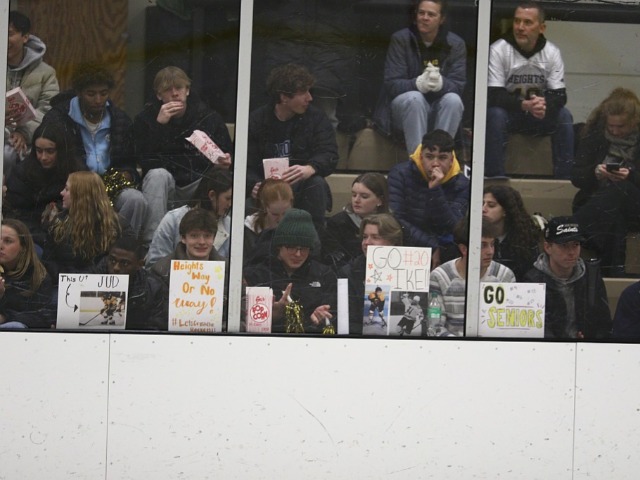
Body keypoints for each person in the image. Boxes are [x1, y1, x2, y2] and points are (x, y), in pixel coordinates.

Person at [42, 62, 147, 237]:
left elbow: (129, 162)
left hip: (111, 185)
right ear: (79, 92)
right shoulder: (58, 118)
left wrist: (128, 173)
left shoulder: (120, 119)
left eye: (103, 93)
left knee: (136, 200)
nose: (98, 100)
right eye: (91, 94)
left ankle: (124, 245)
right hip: (73, 187)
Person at [133, 66, 233, 243]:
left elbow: (227, 155)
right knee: (157, 175)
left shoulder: (207, 117)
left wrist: (224, 162)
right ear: (159, 95)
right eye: (167, 90)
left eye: (179, 88)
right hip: (166, 188)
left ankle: (212, 240)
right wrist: (159, 126)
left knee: (216, 180)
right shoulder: (146, 119)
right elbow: (145, 162)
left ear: (187, 90)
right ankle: (152, 243)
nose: (174, 94)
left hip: (198, 185)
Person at [485, 1, 574, 179]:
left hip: (538, 115)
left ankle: (564, 179)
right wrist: (524, 105)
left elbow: (560, 95)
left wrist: (543, 103)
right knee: (495, 114)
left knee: (564, 116)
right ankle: (495, 177)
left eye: (527, 22)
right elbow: (493, 94)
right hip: (511, 115)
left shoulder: (552, 52)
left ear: (541, 28)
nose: (520, 27)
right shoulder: (498, 50)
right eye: (517, 21)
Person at [247, 63, 338, 229]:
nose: (309, 98)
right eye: (303, 93)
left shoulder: (316, 117)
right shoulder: (257, 120)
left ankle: (313, 239)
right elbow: (243, 162)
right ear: (284, 97)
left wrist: (311, 167)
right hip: (265, 187)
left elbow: (329, 153)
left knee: (316, 184)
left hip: (301, 186)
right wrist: (253, 184)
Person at [372, 0, 466, 155]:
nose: (425, 18)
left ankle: (439, 158)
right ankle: (418, 162)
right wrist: (417, 84)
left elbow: (459, 86)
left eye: (431, 14)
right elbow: (392, 84)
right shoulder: (401, 39)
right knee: (415, 99)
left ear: (442, 19)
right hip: (405, 109)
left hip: (437, 108)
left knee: (453, 100)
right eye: (421, 13)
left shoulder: (455, 44)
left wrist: (441, 84)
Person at [571, 87, 640, 277]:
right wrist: (596, 173)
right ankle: (612, 277)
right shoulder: (594, 135)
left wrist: (631, 175)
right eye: (611, 126)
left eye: (621, 126)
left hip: (634, 203)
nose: (615, 131)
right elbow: (576, 176)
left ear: (634, 122)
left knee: (621, 187)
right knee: (615, 221)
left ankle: (575, 227)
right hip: (599, 201)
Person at [243, 209, 337, 334]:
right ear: (279, 246)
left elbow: (335, 316)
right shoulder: (256, 275)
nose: (298, 254)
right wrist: (272, 317)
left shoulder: (324, 275)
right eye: (291, 247)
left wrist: (319, 318)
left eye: (304, 248)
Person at [388, 129, 469, 268]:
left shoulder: (462, 183)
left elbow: (454, 225)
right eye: (429, 157)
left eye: (442, 158)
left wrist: (435, 190)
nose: (435, 163)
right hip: (409, 243)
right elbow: (396, 218)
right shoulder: (400, 174)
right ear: (421, 157)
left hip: (446, 247)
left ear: (451, 160)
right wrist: (430, 246)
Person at [522, 216, 611, 340]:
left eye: (575, 245)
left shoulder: (591, 276)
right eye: (564, 245)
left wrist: (590, 341)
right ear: (547, 247)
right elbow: (534, 328)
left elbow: (604, 323)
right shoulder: (533, 281)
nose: (571, 252)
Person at [429, 218, 515, 337]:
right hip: (452, 346)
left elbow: (509, 327)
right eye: (483, 245)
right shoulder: (440, 277)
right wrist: (463, 345)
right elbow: (435, 327)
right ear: (464, 249)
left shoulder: (504, 276)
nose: (490, 251)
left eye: (492, 244)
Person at [4, 122, 84, 246]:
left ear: (61, 150)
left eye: (50, 151)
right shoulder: (22, 172)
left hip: (69, 233)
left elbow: (84, 207)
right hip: (30, 235)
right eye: (39, 151)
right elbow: (16, 213)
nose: (43, 157)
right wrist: (42, 238)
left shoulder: (77, 171)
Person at [42, 171, 126, 279]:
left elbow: (113, 263)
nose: (61, 193)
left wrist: (84, 279)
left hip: (99, 283)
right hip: (63, 282)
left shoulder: (116, 225)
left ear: (81, 195)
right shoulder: (58, 222)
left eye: (67, 189)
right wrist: (68, 277)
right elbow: (48, 261)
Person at [5, 11, 59, 176]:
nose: (4, 39)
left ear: (25, 37)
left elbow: (48, 109)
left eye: (10, 34)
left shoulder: (46, 73)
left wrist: (24, 132)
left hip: (32, 140)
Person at [145, 169, 233, 267]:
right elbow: (154, 265)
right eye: (228, 198)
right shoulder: (172, 220)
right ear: (212, 195)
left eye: (207, 236)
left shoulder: (231, 226)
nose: (230, 204)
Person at [339, 213, 404, 335]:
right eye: (364, 237)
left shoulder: (408, 270)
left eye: (375, 237)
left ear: (392, 241)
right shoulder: (349, 273)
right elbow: (348, 322)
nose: (367, 242)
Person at [93, 236, 168, 330]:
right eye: (112, 260)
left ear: (139, 265)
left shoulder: (153, 288)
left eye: (124, 263)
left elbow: (156, 328)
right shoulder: (91, 279)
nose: (116, 267)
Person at [322, 172, 389, 268]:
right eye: (354, 195)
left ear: (380, 200)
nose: (356, 200)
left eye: (364, 196)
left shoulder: (394, 224)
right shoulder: (337, 223)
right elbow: (333, 262)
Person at [0, 219, 56, 329]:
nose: (0, 245)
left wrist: (6, 317)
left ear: (23, 247)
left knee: (15, 326)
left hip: (21, 335)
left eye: (8, 241)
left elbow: (44, 318)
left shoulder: (38, 277)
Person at [151, 208, 226, 287]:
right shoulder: (161, 271)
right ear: (183, 238)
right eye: (194, 236)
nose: (202, 242)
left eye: (207, 236)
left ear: (214, 238)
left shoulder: (229, 270)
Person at [482, 184, 541, 280]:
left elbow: (531, 277)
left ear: (505, 210)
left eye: (491, 205)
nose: (483, 209)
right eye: (482, 204)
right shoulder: (470, 235)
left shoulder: (525, 239)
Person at [243, 179, 294, 267]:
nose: (281, 219)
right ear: (264, 207)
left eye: (285, 213)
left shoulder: (301, 225)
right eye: (275, 214)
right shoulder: (249, 229)